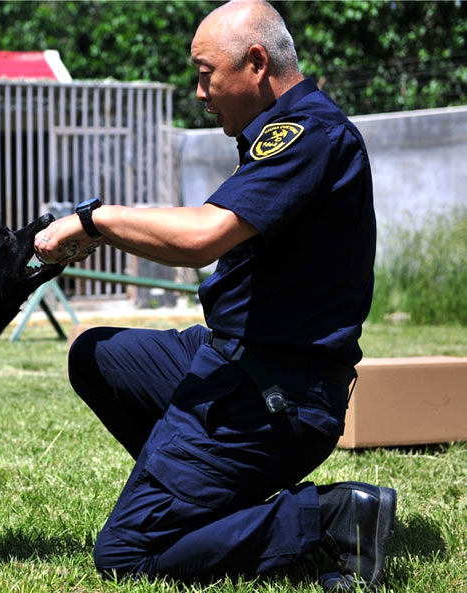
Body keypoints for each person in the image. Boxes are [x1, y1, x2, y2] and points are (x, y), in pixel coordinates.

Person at [33, 1, 396, 590]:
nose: (199, 91)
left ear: (256, 63)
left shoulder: (307, 135)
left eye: (206, 73)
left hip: (281, 391)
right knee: (96, 354)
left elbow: (203, 237)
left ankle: (328, 518)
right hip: (235, 354)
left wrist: (94, 220)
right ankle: (200, 496)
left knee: (126, 554)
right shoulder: (285, 133)